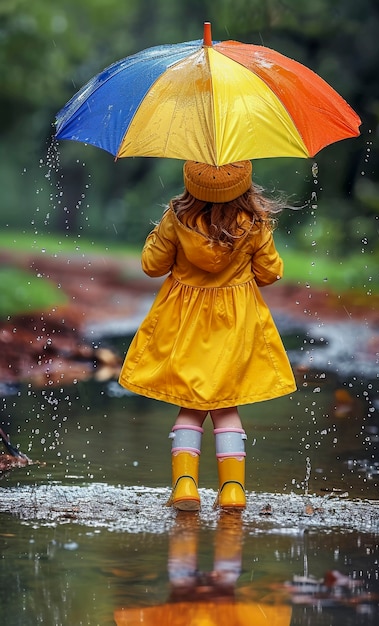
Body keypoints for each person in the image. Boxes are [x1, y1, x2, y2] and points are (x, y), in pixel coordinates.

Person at [118, 160, 296, 511]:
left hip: (184, 324)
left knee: (191, 405)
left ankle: (185, 486)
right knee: (226, 406)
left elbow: (151, 265)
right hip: (236, 325)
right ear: (244, 186)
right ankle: (233, 490)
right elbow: (271, 272)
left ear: (190, 185)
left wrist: (162, 229)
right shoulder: (255, 223)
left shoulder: (178, 218)